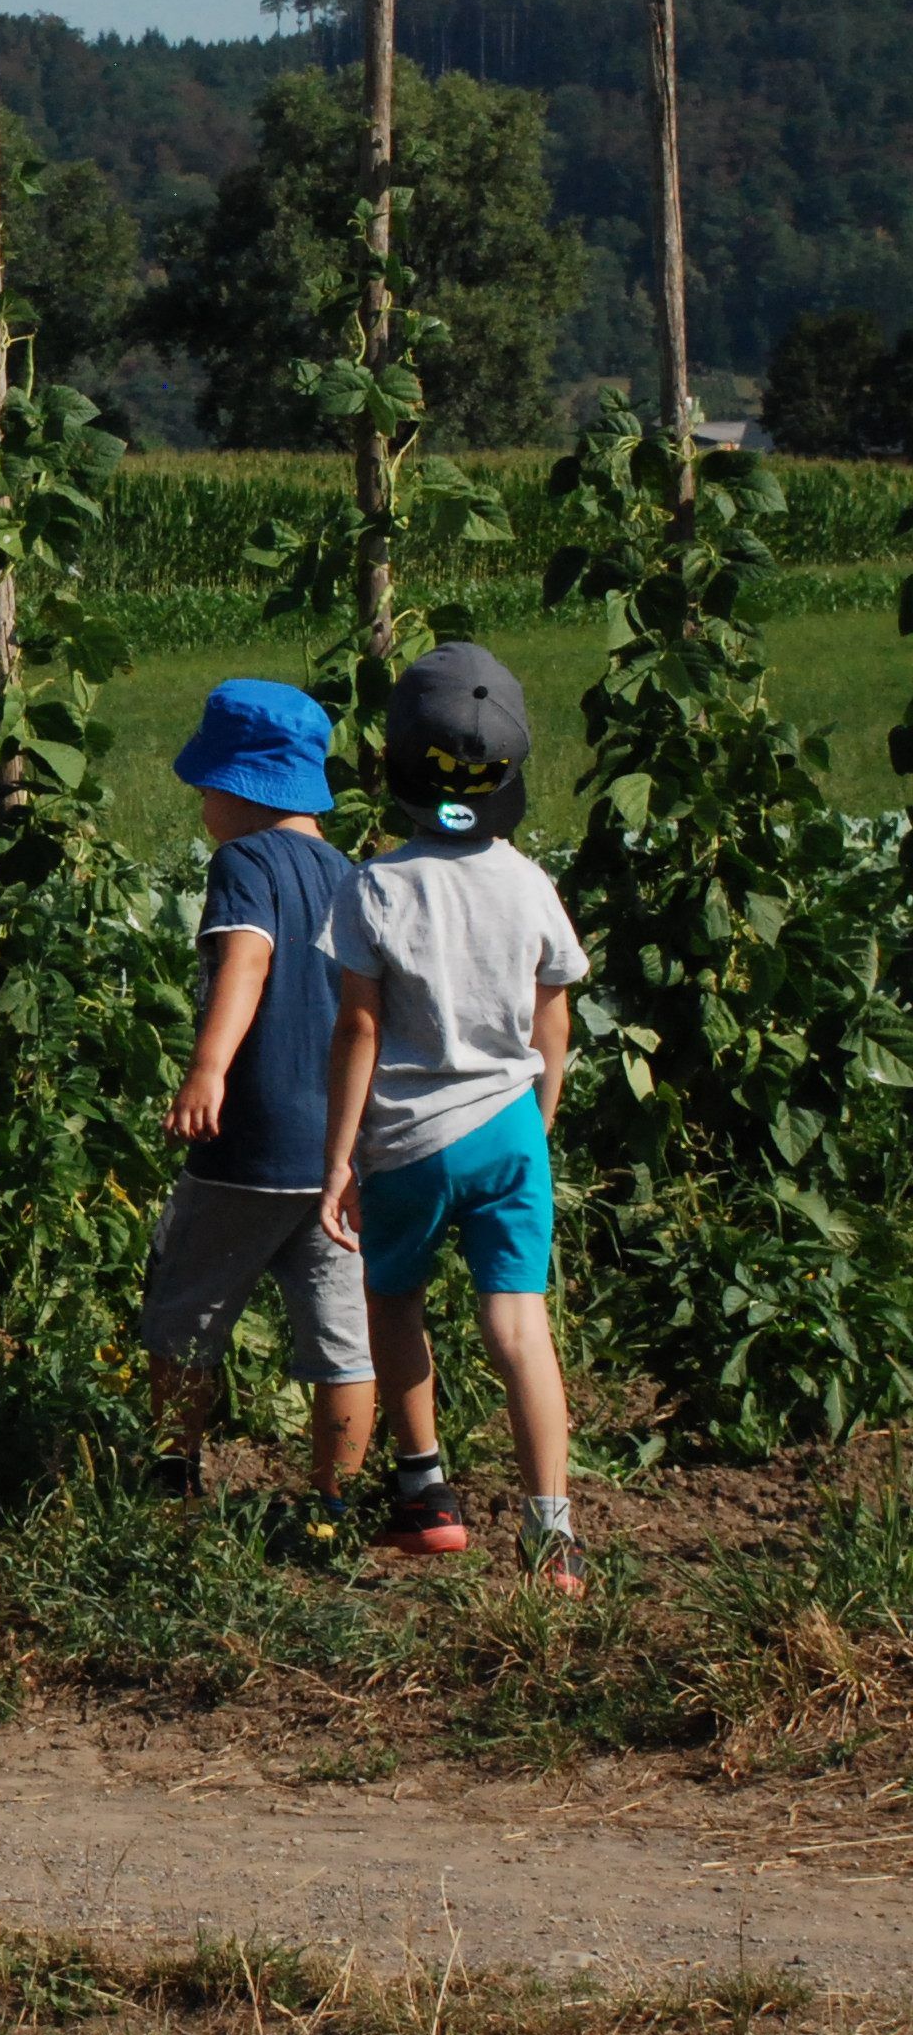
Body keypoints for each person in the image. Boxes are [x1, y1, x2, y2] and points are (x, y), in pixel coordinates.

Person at [318, 642, 593, 1596]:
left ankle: (427, 1497)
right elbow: (553, 1008)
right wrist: (538, 1116)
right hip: (511, 1127)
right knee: (519, 1320)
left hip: (408, 1141)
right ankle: (552, 1537)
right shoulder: (526, 882)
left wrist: (340, 1155)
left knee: (393, 1298)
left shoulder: (379, 886)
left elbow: (359, 1025)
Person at [143, 682, 374, 1524]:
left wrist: (208, 1068)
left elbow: (246, 959)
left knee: (186, 1312)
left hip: (250, 1139)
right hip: (337, 1151)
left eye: (206, 788)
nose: (204, 804)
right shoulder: (352, 875)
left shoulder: (244, 864)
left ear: (237, 787)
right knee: (341, 1337)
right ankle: (334, 1504)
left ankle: (172, 1474)